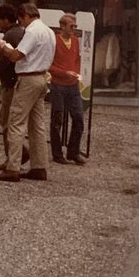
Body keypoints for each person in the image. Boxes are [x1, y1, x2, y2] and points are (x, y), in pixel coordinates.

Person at [0, 3, 56, 182]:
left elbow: (16, 55)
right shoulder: (49, 31)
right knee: (37, 126)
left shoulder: (33, 31)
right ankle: (39, 167)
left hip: (28, 79)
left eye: (21, 19)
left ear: (26, 15)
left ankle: (13, 168)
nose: (21, 23)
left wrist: (3, 46)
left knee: (16, 122)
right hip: (42, 77)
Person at [0, 4, 28, 170]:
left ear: (5, 19)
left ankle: (13, 157)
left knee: (6, 120)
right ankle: (17, 155)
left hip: (10, 84)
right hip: (18, 82)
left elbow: (6, 61)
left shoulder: (10, 35)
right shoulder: (21, 32)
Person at [49, 13, 86, 165]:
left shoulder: (76, 41)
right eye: (71, 26)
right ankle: (57, 154)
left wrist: (75, 73)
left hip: (72, 85)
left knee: (78, 118)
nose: (73, 29)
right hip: (58, 85)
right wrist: (64, 73)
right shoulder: (54, 41)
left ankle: (73, 151)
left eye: (75, 26)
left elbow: (77, 59)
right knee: (57, 120)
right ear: (62, 26)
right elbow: (48, 64)